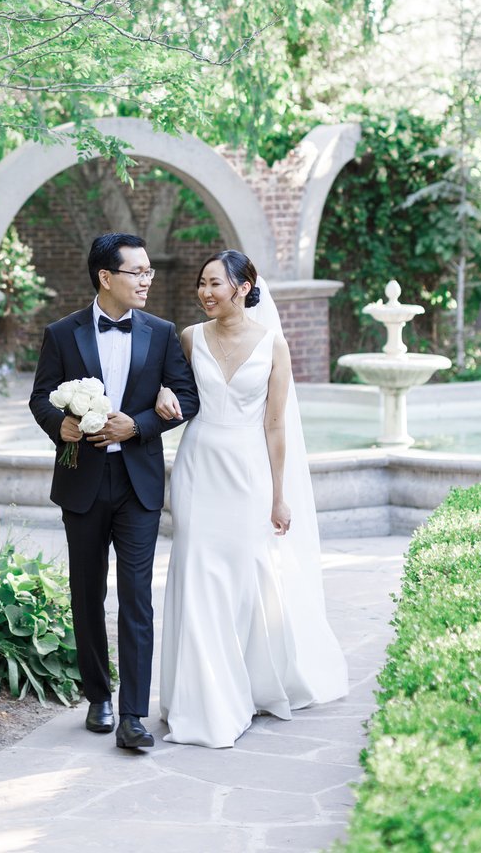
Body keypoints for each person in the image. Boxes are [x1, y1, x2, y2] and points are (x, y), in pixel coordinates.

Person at [155, 249, 348, 748]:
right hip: (198, 466)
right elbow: (176, 393)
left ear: (243, 287)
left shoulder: (272, 345)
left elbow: (276, 423)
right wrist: (161, 395)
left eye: (215, 283)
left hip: (248, 471)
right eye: (201, 283)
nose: (205, 292)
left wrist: (279, 496)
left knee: (245, 579)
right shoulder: (189, 337)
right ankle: (205, 700)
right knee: (198, 574)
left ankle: (249, 682)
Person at [29, 232, 199, 751]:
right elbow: (40, 397)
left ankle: (133, 714)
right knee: (86, 592)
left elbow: (187, 396)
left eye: (149, 272)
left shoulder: (162, 332)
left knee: (137, 597)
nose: (148, 280)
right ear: (107, 277)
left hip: (138, 483)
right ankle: (98, 696)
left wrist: (140, 426)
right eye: (138, 272)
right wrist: (63, 426)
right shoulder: (62, 333)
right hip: (81, 479)